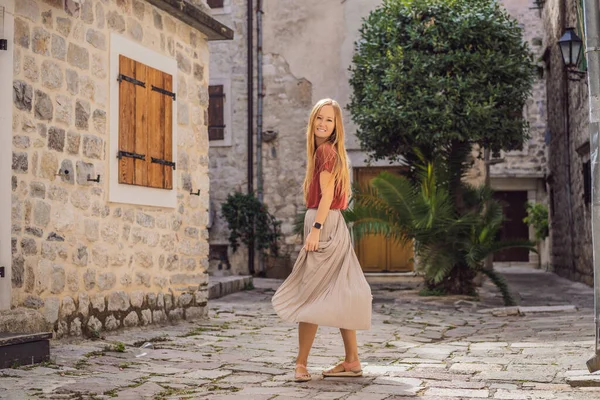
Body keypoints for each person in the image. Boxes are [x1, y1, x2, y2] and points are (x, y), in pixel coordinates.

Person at [271, 98, 373, 382]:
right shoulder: (329, 152)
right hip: (335, 224)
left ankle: (301, 364)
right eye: (319, 118)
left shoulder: (325, 152)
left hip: (324, 222)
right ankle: (352, 360)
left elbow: (327, 196)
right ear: (312, 120)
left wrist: (315, 228)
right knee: (339, 291)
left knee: (310, 292)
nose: (322, 124)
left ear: (336, 126)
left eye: (329, 120)